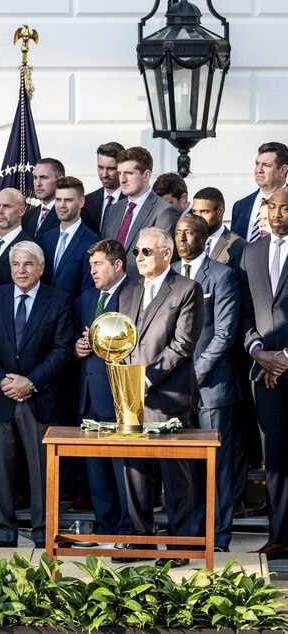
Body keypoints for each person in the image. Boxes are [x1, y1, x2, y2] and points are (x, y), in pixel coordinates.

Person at [0, 241, 75, 548]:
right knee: (1, 471)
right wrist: (4, 381)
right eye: (16, 264)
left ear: (41, 268)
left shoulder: (58, 300)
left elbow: (62, 350)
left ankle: (44, 533)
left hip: (40, 398)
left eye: (28, 264)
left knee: (42, 471)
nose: (21, 270)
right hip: (1, 396)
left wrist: (30, 382)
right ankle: (3, 534)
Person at [115, 227, 203, 567]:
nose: (138, 257)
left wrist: (146, 379)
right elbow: (122, 340)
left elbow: (182, 344)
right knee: (135, 472)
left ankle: (181, 546)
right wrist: (125, 377)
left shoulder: (186, 289)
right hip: (131, 398)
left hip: (168, 398)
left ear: (167, 253)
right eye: (136, 251)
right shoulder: (129, 291)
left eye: (146, 252)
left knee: (175, 476)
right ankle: (141, 542)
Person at [172, 214, 239, 552]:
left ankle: (218, 536)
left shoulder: (223, 275)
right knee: (185, 466)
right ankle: (190, 533)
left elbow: (225, 335)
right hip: (173, 391)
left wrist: (193, 375)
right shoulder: (168, 274)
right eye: (178, 233)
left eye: (189, 233)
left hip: (211, 387)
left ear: (204, 238)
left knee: (216, 466)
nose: (182, 239)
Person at [238, 188, 288, 560]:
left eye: (285, 208)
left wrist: (284, 356)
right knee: (275, 457)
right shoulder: (251, 252)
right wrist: (260, 352)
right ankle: (280, 534)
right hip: (264, 373)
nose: (278, 214)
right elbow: (244, 314)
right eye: (272, 207)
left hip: (282, 362)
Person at [74, 239, 133, 538]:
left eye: (98, 265)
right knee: (97, 471)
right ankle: (106, 528)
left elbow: (134, 343)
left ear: (117, 265)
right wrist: (79, 346)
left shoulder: (134, 294)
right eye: (91, 266)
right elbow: (77, 337)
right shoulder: (86, 298)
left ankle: (126, 529)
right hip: (89, 398)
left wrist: (102, 343)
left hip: (117, 396)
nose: (92, 271)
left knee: (122, 470)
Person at [101, 147, 179, 275]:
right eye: (120, 173)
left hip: (142, 289)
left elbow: (163, 263)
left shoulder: (164, 212)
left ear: (146, 175)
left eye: (129, 173)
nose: (122, 179)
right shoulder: (114, 209)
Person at [37, 176, 98, 298]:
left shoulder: (93, 242)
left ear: (81, 202)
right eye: (58, 200)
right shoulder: (45, 239)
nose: (62, 205)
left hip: (72, 314)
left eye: (68, 200)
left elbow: (88, 291)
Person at [231, 142, 288, 242]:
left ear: (283, 170)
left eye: (266, 165)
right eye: (257, 164)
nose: (259, 170)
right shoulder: (240, 207)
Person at [191, 187, 245, 269]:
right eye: (194, 211)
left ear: (220, 211)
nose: (198, 217)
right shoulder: (187, 240)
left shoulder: (239, 246)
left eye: (204, 211)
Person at [82, 142, 126, 234]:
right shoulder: (87, 202)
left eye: (111, 169)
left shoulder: (132, 201)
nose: (104, 174)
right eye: (100, 167)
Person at [22, 158, 65, 239]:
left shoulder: (68, 214)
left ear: (60, 181)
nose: (38, 184)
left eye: (43, 177)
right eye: (35, 178)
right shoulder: (27, 217)